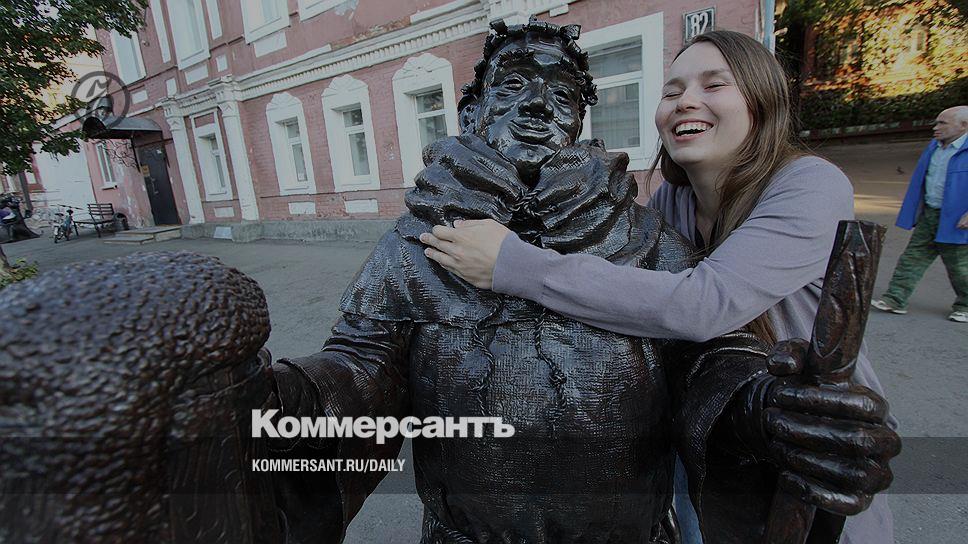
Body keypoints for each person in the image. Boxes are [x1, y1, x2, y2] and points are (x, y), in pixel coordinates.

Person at [419, 30, 897, 543]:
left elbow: (701, 305)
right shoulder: (671, 202)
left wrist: (513, 264)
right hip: (705, 446)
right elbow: (632, 303)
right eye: (672, 91)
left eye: (714, 85)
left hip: (798, 427)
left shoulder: (810, 183)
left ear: (762, 103)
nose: (686, 101)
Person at [871, 105, 968, 322]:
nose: (936, 127)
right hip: (931, 214)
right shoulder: (935, 147)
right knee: (912, 258)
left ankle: (966, 305)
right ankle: (895, 298)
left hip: (957, 220)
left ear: (963, 126)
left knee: (960, 266)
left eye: (942, 123)